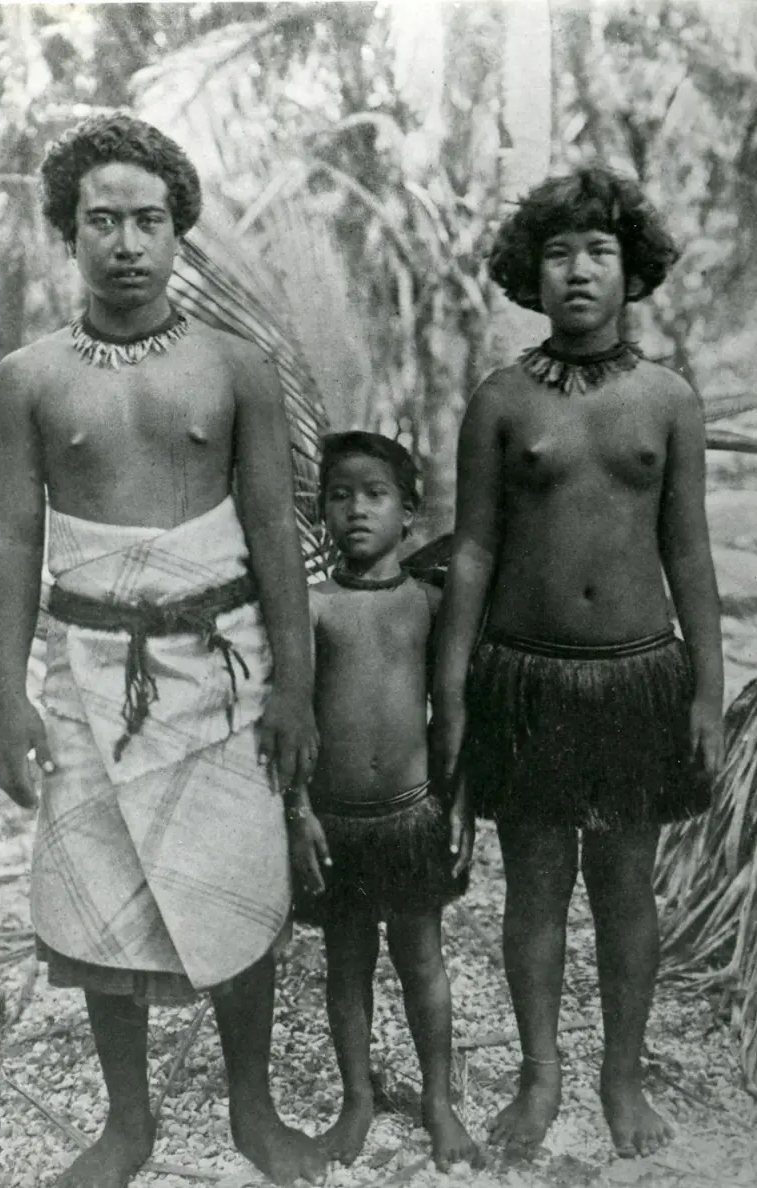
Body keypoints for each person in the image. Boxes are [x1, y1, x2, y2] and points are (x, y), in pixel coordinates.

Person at [0, 113, 326, 1188]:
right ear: (66, 235)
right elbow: (10, 545)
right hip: (84, 676)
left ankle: (251, 1114)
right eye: (101, 222)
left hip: (220, 669)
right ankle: (127, 1125)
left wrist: (297, 689)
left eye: (147, 221)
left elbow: (274, 535)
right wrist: (7, 701)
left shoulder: (236, 370)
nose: (125, 244)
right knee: (97, 890)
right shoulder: (28, 379)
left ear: (180, 232)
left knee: (233, 878)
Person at [433, 165, 724, 1159]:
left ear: (629, 268)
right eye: (555, 253)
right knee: (533, 885)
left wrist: (706, 692)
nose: (577, 270)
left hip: (638, 674)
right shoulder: (502, 402)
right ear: (530, 273)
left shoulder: (667, 401)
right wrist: (452, 688)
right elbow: (469, 548)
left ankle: (620, 1072)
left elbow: (688, 551)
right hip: (525, 675)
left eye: (597, 250)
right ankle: (537, 1071)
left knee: (624, 886)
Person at [285, 432, 481, 1173]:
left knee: (422, 957)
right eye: (340, 495)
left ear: (409, 511)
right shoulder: (313, 609)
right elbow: (294, 721)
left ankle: (438, 1098)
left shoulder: (430, 606)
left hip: (410, 813)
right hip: (335, 819)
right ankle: (357, 1098)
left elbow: (457, 713)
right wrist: (297, 811)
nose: (356, 510)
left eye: (375, 495)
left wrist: (461, 801)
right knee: (346, 962)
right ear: (320, 510)